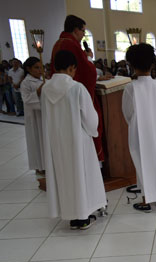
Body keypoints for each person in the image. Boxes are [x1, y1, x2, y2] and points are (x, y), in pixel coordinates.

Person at [41, 50, 106, 230]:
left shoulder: (46, 89)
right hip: (78, 140)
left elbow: (46, 117)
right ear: (71, 68)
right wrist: (93, 130)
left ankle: (72, 217)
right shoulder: (77, 88)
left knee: (65, 176)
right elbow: (90, 118)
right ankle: (83, 217)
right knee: (81, 175)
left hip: (56, 141)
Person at [122, 43, 156, 212]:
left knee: (142, 162)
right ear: (152, 64)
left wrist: (134, 123)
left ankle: (146, 200)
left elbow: (127, 112)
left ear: (132, 65)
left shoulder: (130, 87)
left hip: (138, 129)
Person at [51, 15, 104, 161]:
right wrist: (88, 58)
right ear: (75, 29)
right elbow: (87, 73)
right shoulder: (72, 45)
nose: (83, 35)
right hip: (74, 98)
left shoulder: (58, 43)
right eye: (83, 31)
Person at [20, 57, 46, 174]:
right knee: (37, 141)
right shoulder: (25, 83)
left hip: (44, 116)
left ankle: (47, 165)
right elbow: (26, 100)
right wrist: (38, 92)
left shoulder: (43, 80)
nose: (40, 70)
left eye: (41, 67)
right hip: (34, 117)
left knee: (45, 140)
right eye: (36, 68)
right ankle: (39, 166)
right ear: (28, 69)